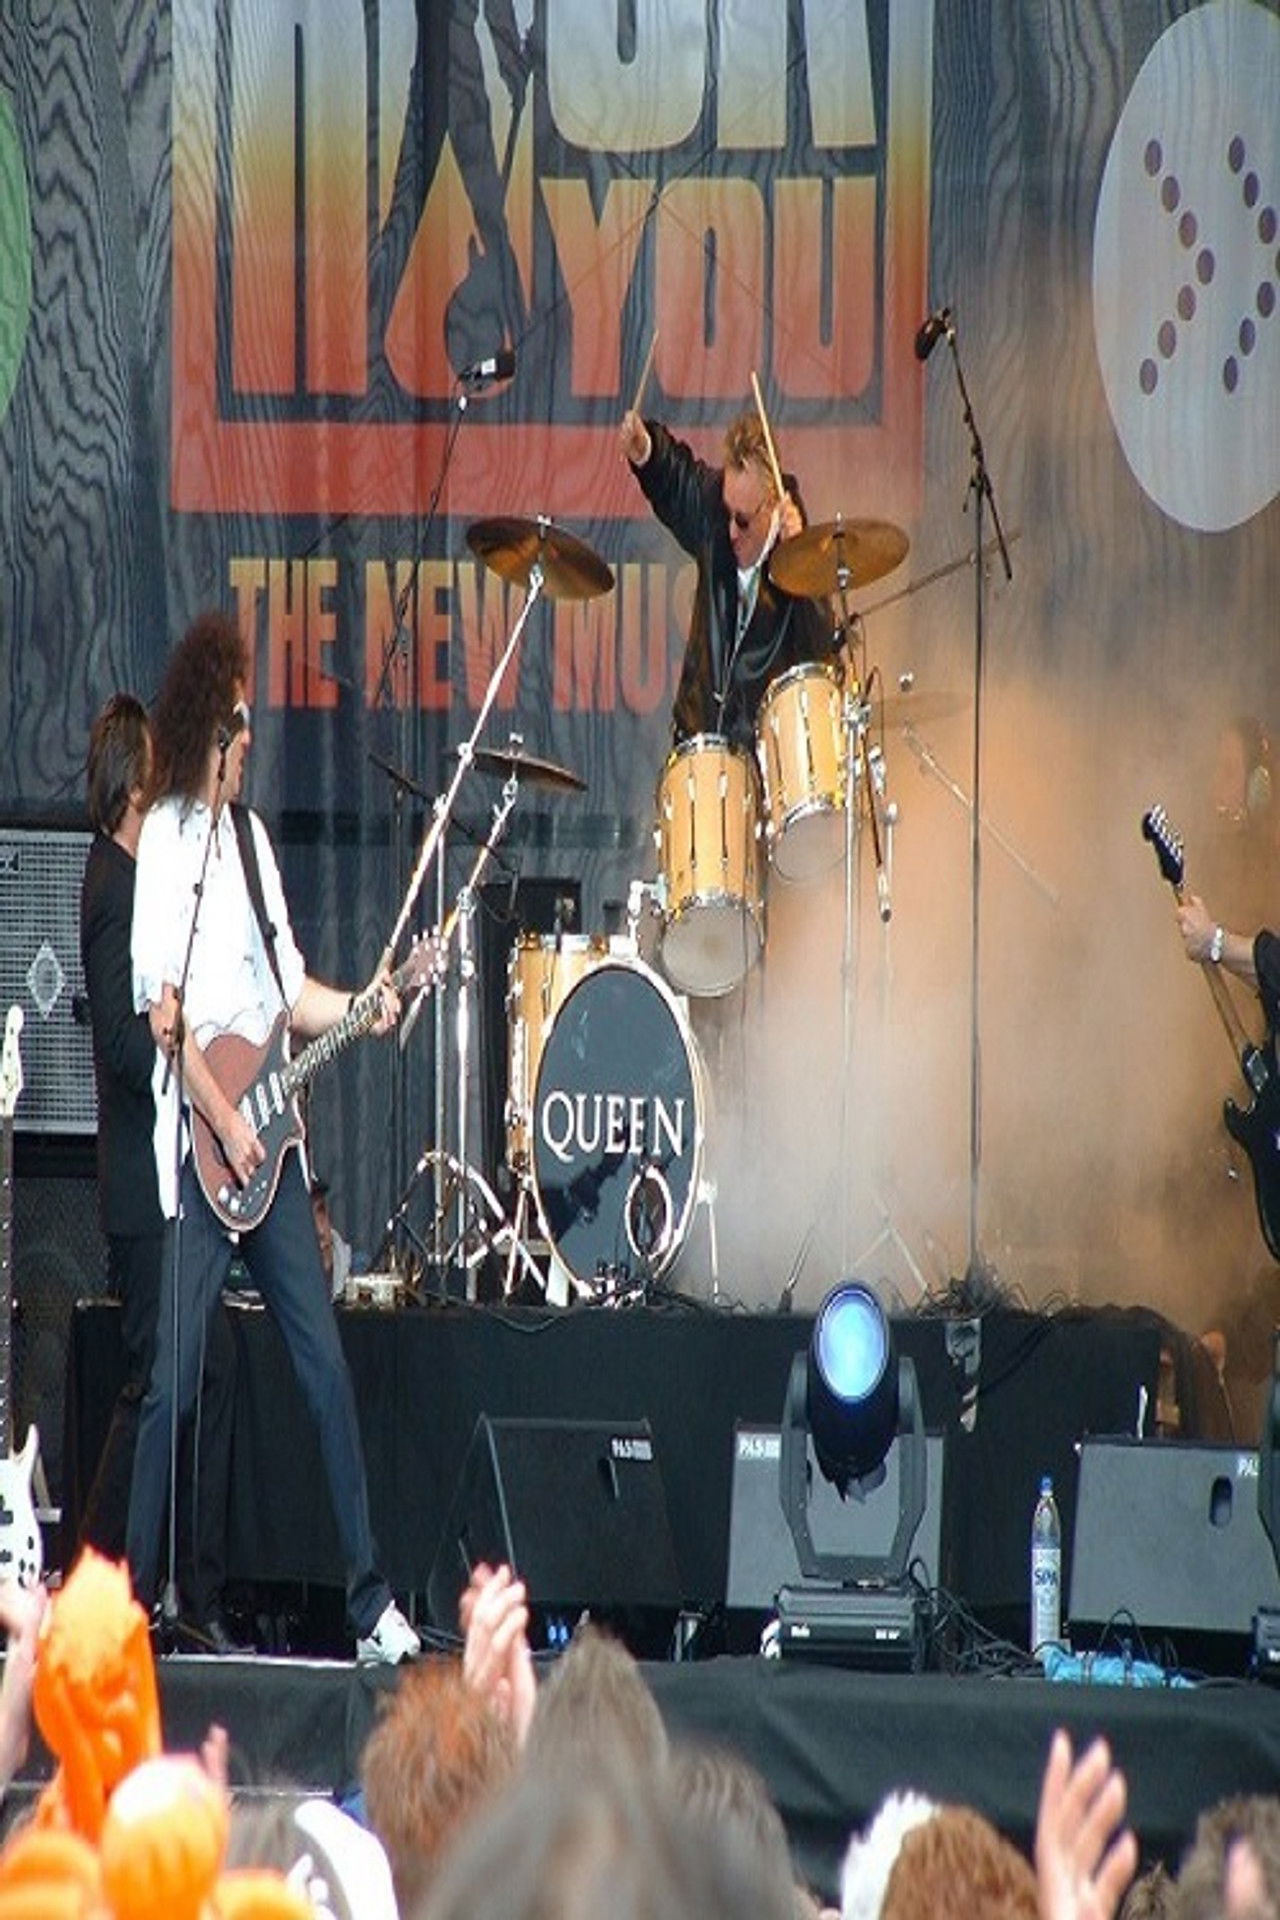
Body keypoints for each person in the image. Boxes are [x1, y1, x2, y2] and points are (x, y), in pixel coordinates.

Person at [124, 610, 420, 1665]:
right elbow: (160, 1015)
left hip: (272, 1150)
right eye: (240, 721)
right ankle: (126, 1606)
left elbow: (289, 991)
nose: (251, 740)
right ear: (212, 723)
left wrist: (365, 1003)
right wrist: (218, 1121)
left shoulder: (251, 846)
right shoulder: (166, 840)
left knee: (322, 1367)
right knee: (171, 1381)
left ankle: (369, 1601)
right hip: (207, 1153)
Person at [78, 693, 240, 1654]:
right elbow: (119, 1046)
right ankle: (105, 1589)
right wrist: (175, 1046)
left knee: (202, 1372)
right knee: (156, 1382)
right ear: (137, 781)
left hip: (166, 1178)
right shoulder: (112, 886)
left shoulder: (139, 879)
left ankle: (184, 1588)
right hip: (144, 1187)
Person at [618, 405, 838, 751]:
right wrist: (646, 449)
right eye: (727, 512)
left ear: (771, 506)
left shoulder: (796, 555)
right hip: (699, 741)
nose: (731, 530)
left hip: (760, 755)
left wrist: (803, 562)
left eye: (743, 520)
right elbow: (678, 479)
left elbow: (823, 647)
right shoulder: (715, 508)